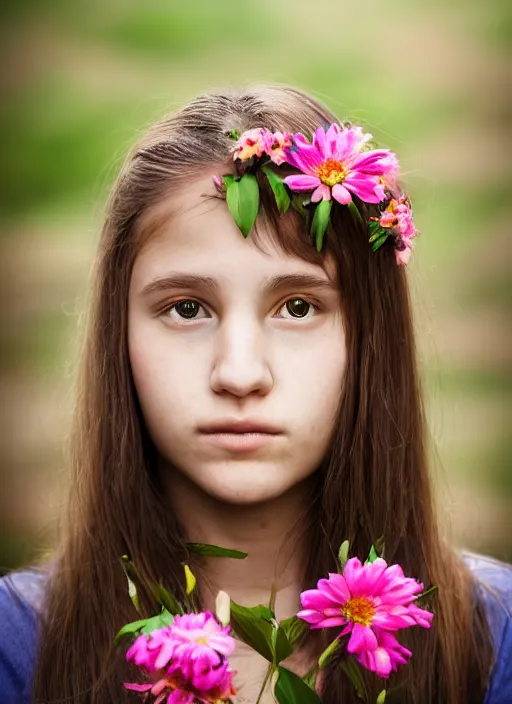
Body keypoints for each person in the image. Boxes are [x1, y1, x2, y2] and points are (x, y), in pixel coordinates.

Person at [0, 84, 510, 704]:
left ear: (370, 340)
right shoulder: (18, 648)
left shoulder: (493, 643)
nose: (240, 374)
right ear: (119, 333)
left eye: (298, 307)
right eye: (187, 308)